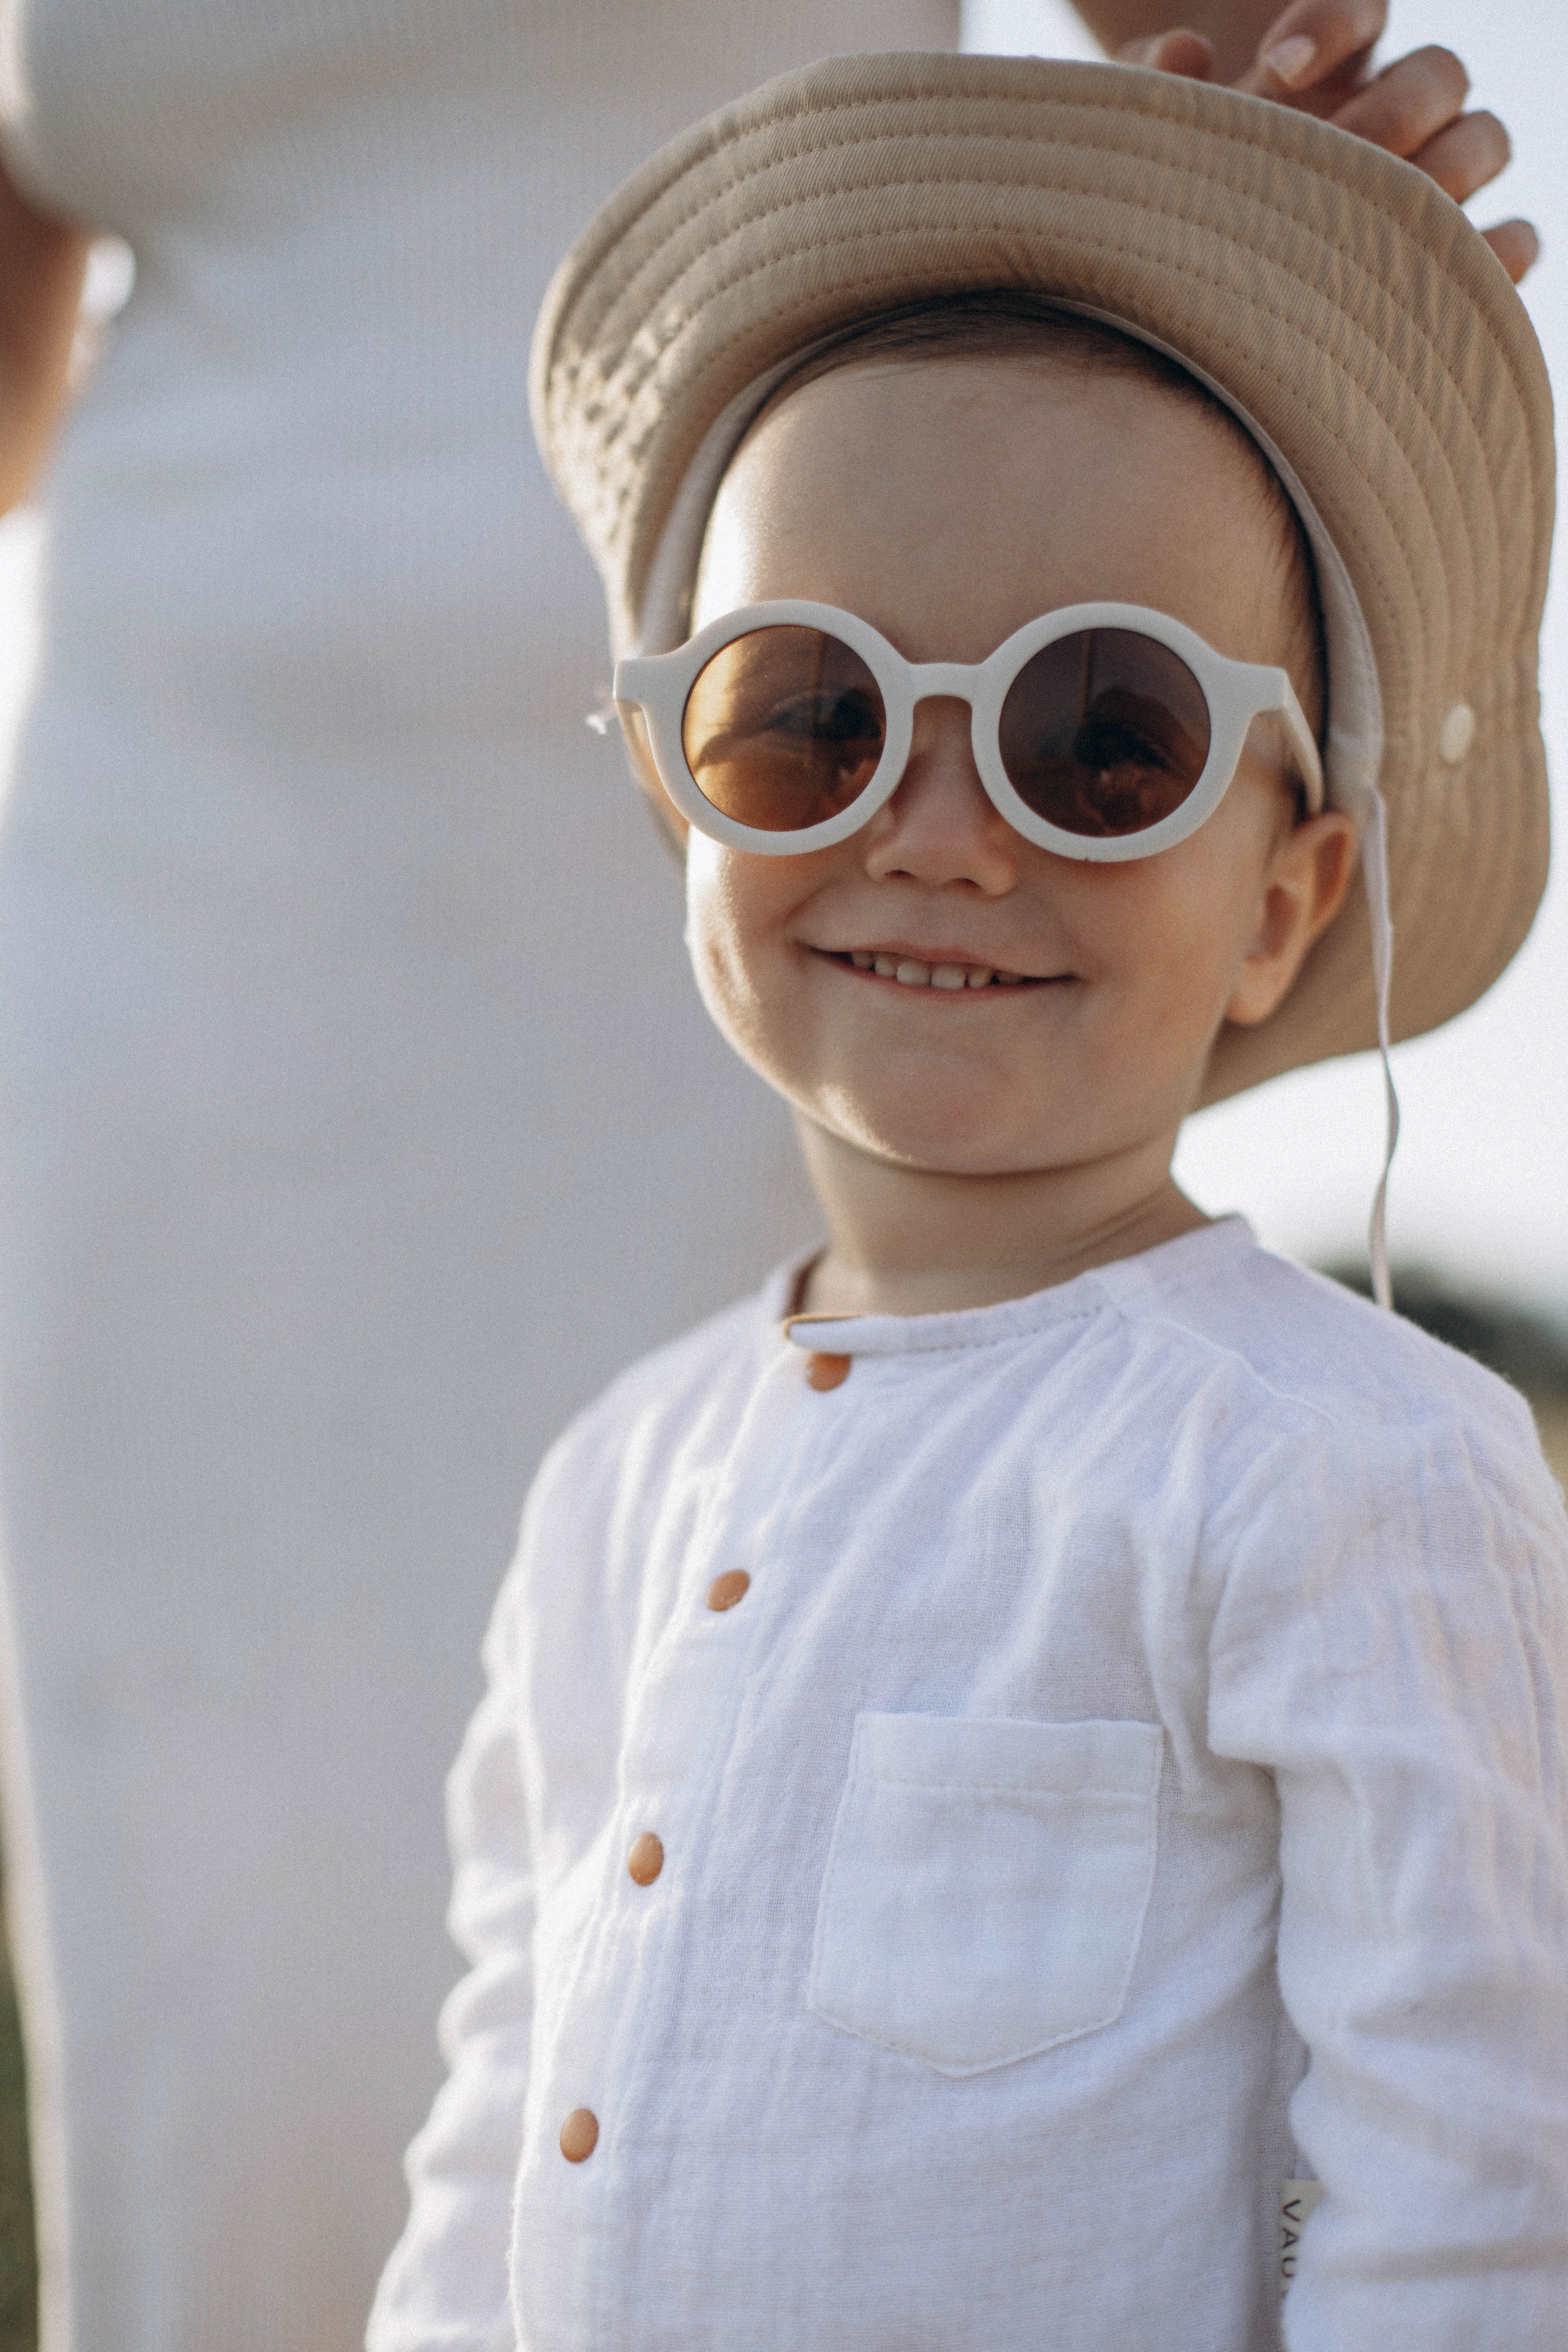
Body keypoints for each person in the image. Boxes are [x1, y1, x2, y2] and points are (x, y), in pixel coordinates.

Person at [0, 5, 1532, 2350]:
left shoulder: (1361, 1476)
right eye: (807, 715)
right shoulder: (619, 1480)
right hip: (177, 828)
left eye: (1097, 736)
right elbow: (502, 2138)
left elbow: (1468, 2193)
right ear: (669, 792)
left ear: (1291, 899)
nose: (937, 827)